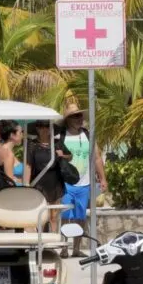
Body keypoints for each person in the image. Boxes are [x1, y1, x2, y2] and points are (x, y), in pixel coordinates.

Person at [59, 102, 107, 256]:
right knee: (65, 216)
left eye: (80, 115)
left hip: (85, 183)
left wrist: (103, 178)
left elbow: (97, 158)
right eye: (75, 116)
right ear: (68, 119)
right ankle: (64, 247)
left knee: (80, 217)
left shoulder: (88, 135)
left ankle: (77, 249)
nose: (79, 119)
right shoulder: (61, 136)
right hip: (66, 183)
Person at [24, 120, 66, 231]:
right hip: (38, 183)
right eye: (40, 126)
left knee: (53, 216)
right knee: (41, 217)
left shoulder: (57, 143)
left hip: (55, 183)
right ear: (36, 128)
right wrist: (26, 185)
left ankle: (53, 243)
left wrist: (63, 155)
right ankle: (40, 244)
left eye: (47, 126)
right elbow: (28, 165)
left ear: (51, 128)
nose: (44, 129)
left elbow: (70, 157)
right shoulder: (32, 145)